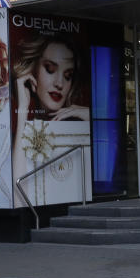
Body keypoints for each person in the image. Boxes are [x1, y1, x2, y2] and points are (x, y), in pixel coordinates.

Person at [12, 34, 90, 188]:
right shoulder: (20, 126)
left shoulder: (79, 122)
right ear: (33, 70)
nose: (59, 83)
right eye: (50, 69)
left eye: (68, 76)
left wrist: (90, 116)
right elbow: (19, 192)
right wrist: (22, 110)